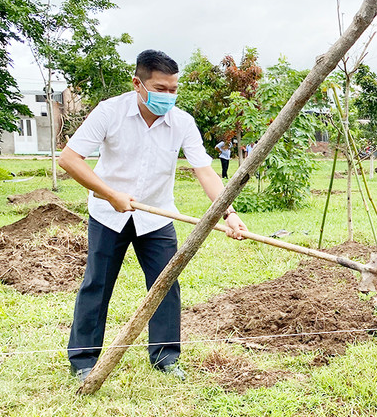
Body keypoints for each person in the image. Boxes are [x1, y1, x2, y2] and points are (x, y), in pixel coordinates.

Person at [58, 49, 248, 383]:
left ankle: (165, 357)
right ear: (138, 84)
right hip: (108, 214)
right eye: (160, 89)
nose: (168, 96)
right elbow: (69, 159)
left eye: (173, 89)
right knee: (97, 284)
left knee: (165, 284)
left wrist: (228, 213)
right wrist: (110, 194)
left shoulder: (182, 122)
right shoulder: (110, 112)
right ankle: (84, 360)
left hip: (157, 216)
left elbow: (205, 171)